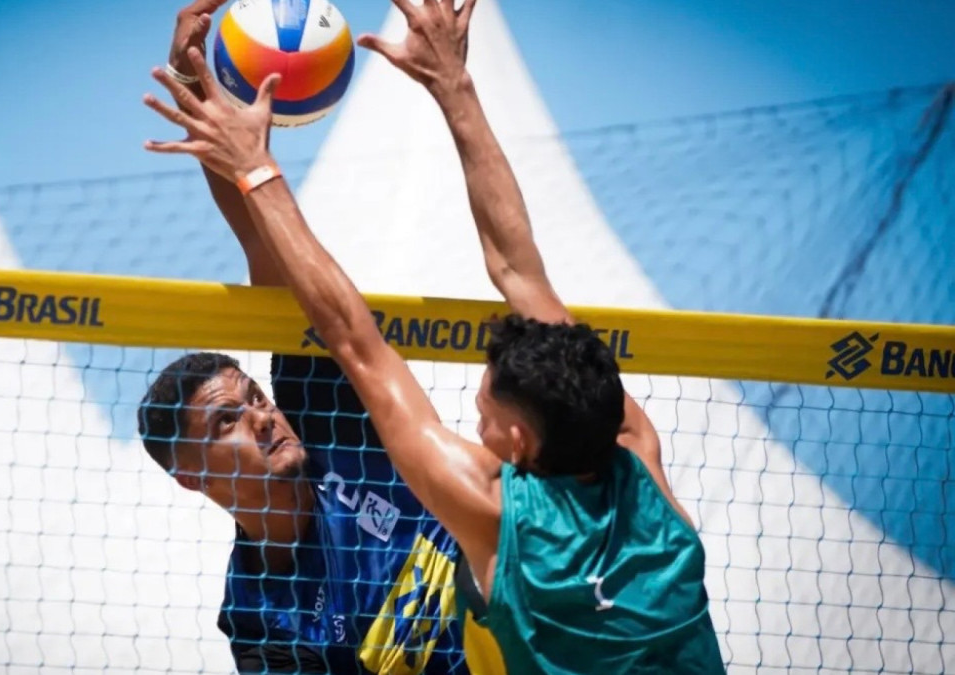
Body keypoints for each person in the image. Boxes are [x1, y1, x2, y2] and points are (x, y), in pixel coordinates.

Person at [140, 0, 728, 672]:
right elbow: (520, 272)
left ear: (516, 445)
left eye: (484, 412)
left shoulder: (491, 513)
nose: (472, 419)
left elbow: (360, 335)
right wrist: (455, 86)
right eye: (227, 419)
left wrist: (253, 161)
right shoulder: (635, 453)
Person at [136, 3, 505, 673]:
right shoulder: (253, 610)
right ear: (190, 473)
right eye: (227, 421)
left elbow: (263, 244)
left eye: (251, 398)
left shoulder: (327, 421)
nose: (261, 416)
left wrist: (200, 86)